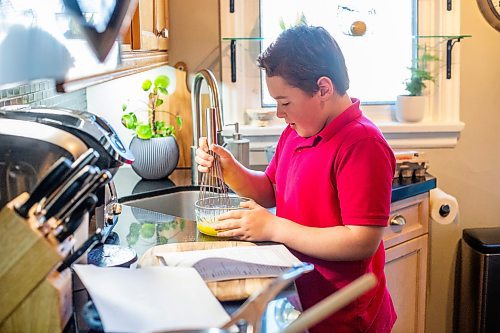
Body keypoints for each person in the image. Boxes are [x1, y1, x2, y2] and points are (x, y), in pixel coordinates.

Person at [195, 25, 396, 333]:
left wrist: (275, 226)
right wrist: (229, 169)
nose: (279, 113)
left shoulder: (362, 144)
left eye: (285, 102)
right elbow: (271, 190)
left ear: (324, 89)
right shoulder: (297, 131)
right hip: (300, 300)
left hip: (344, 315)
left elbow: (361, 242)